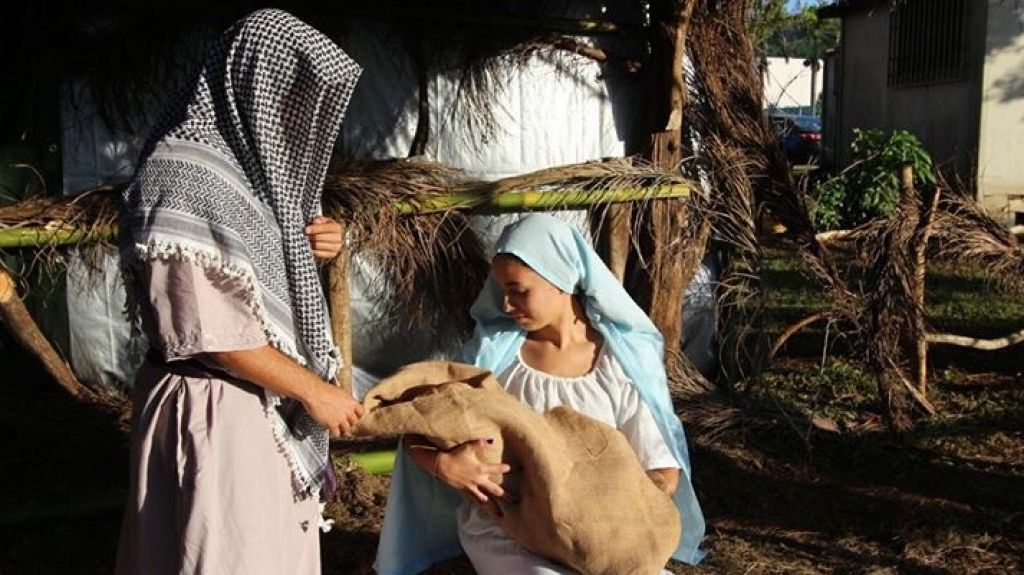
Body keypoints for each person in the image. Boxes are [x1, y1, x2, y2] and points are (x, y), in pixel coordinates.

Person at [115, 9, 363, 575]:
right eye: (292, 96)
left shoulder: (248, 168)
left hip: (257, 403)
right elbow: (210, 333)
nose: (300, 114)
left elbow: (254, 273)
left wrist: (315, 244)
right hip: (214, 408)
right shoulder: (182, 176)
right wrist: (314, 391)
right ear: (255, 83)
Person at [374, 214, 706, 574]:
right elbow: (421, 425)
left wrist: (621, 522)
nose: (506, 304)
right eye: (502, 290)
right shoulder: (493, 360)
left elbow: (661, 466)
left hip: (600, 529)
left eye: (518, 290)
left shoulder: (619, 362)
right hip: (510, 527)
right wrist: (444, 466)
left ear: (561, 279)